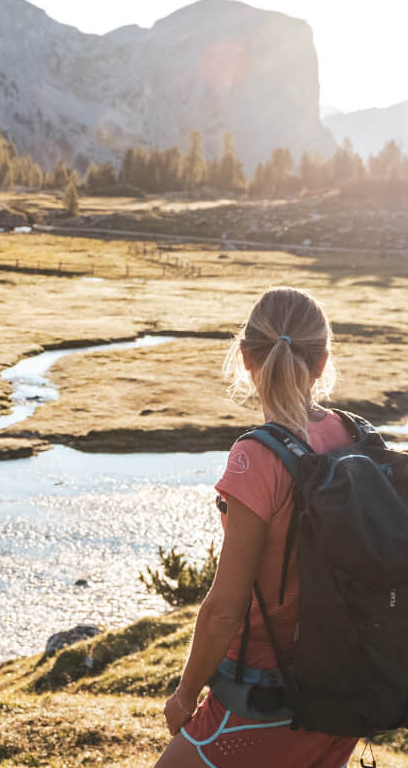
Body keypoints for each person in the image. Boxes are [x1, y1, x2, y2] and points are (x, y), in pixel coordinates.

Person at [158, 287, 364, 768]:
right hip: (343, 692)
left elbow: (224, 611)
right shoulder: (350, 435)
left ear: (247, 359)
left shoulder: (256, 458)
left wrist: (185, 695)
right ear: (323, 361)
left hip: (264, 696)